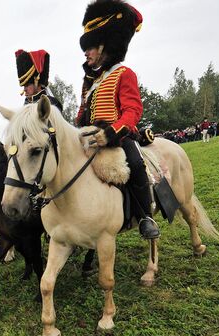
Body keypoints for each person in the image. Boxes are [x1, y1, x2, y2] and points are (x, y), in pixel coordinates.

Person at [75, 0, 158, 239]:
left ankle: (145, 217)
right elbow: (82, 114)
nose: (86, 52)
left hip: (118, 137)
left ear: (103, 47)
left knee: (135, 163)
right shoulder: (89, 82)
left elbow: (132, 111)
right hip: (90, 138)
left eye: (90, 47)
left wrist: (110, 133)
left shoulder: (124, 74)